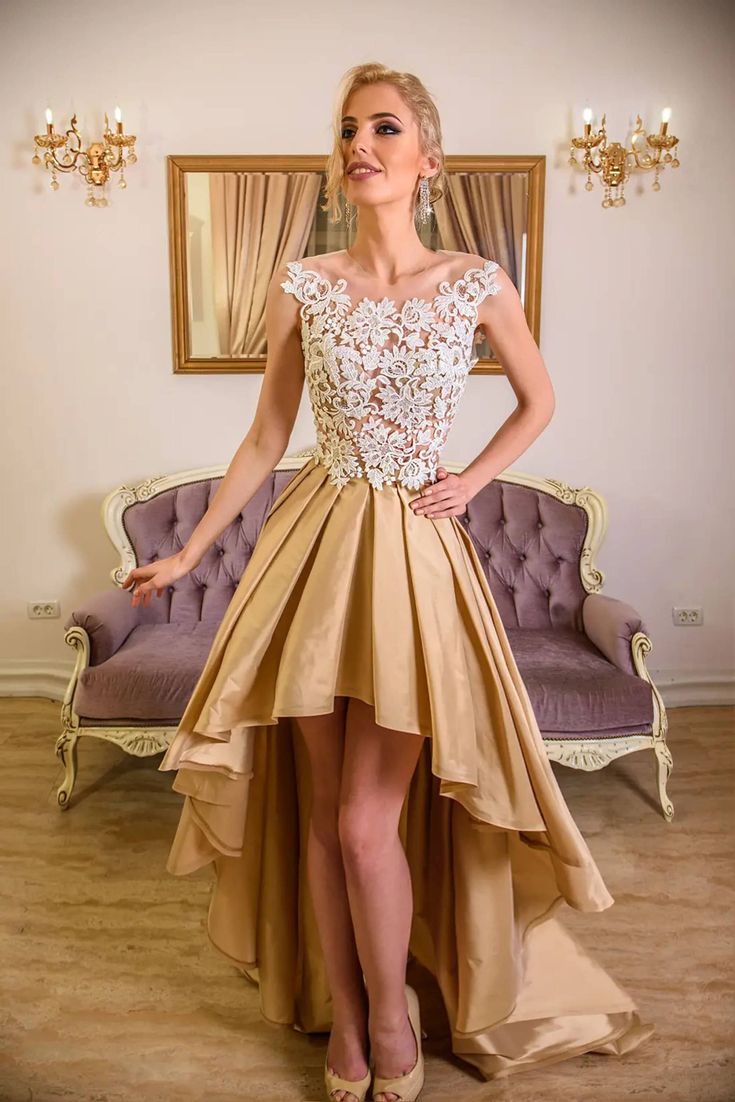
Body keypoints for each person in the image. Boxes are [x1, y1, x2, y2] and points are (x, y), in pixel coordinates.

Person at [122, 61, 654, 1102]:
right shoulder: (304, 284)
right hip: (315, 549)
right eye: (349, 130)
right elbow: (267, 435)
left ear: (427, 159)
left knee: (370, 818)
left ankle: (396, 1015)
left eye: (385, 128)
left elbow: (538, 400)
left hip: (416, 553)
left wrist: (471, 478)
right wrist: (188, 553)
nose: (362, 145)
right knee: (325, 812)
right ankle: (351, 1023)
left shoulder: (473, 280)